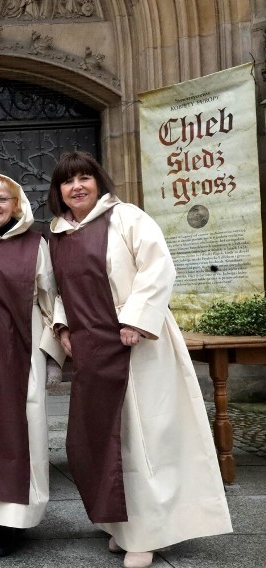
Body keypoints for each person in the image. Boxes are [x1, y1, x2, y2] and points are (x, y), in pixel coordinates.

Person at [46, 151, 232, 568]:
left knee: (147, 440)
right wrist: (62, 329)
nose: (77, 187)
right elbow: (60, 291)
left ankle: (150, 532)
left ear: (98, 181)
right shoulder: (57, 235)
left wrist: (135, 320)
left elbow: (157, 269)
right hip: (94, 350)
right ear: (58, 192)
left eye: (84, 178)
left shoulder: (127, 218)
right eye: (67, 181)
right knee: (108, 441)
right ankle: (124, 527)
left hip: (138, 346)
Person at [0, 173, 64, 557]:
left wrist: (53, 356)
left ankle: (13, 522)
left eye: (2, 200)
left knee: (24, 432)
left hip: (24, 350)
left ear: (17, 205)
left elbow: (50, 297)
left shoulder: (36, 244)